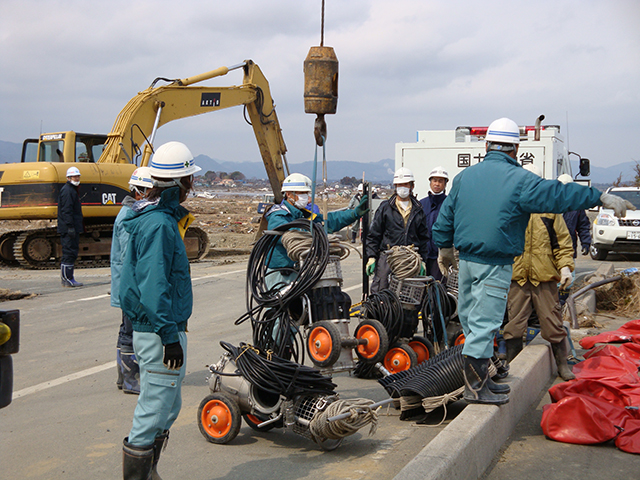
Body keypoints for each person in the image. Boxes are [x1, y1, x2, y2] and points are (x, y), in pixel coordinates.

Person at [433, 117, 635, 406]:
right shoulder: (519, 179)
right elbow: (558, 194)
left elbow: (446, 217)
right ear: (514, 149)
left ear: (487, 145)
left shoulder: (465, 177)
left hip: (466, 262)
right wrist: (599, 197)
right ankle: (476, 388)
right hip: (495, 262)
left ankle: (481, 380)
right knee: (485, 322)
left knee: (469, 319)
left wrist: (444, 249)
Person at [119, 142, 200, 479]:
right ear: (180, 183)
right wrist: (168, 335)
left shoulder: (160, 219)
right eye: (190, 180)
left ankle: (148, 471)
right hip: (157, 330)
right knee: (155, 407)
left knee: (169, 404)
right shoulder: (159, 226)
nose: (192, 187)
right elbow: (153, 287)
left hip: (163, 327)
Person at [503, 164, 576, 381]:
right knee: (514, 326)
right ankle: (512, 367)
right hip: (518, 276)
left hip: (544, 277)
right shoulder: (511, 208)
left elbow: (562, 241)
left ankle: (562, 365)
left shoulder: (550, 209)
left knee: (552, 323)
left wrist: (565, 267)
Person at [265, 173, 368, 288]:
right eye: (302, 193)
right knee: (282, 305)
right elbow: (292, 236)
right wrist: (312, 234)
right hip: (282, 275)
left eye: (306, 193)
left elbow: (329, 220)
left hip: (302, 271)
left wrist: (353, 214)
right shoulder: (279, 216)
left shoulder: (303, 215)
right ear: (289, 194)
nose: (306, 197)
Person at [111, 167, 154, 395]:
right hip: (130, 285)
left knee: (125, 329)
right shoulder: (129, 215)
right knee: (130, 330)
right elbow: (130, 256)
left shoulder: (130, 212)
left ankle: (123, 377)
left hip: (127, 284)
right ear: (139, 192)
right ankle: (130, 379)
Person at [365, 167, 430, 293]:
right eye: (399, 185)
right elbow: (374, 235)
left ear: (412, 186)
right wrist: (372, 257)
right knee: (381, 292)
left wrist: (422, 260)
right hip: (388, 257)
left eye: (405, 184)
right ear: (395, 186)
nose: (403, 188)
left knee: (410, 295)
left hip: (410, 259)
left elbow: (423, 238)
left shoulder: (418, 210)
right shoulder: (385, 208)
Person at [419, 166, 449, 281]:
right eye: (434, 180)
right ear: (430, 182)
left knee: (439, 290)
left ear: (445, 183)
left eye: (440, 181)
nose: (437, 184)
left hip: (441, 256)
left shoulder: (449, 204)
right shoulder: (421, 204)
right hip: (424, 256)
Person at [57, 166, 84, 287]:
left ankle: (68, 278)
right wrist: (70, 226)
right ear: (68, 178)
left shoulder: (72, 190)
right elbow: (66, 210)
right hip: (68, 228)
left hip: (71, 226)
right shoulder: (68, 191)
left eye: (77, 176)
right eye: (74, 176)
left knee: (71, 252)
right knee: (69, 252)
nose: (76, 178)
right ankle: (67, 278)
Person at [557, 174, 592, 258]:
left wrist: (585, 243)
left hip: (569, 248)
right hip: (551, 249)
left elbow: (583, 225)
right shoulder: (549, 204)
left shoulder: (577, 206)